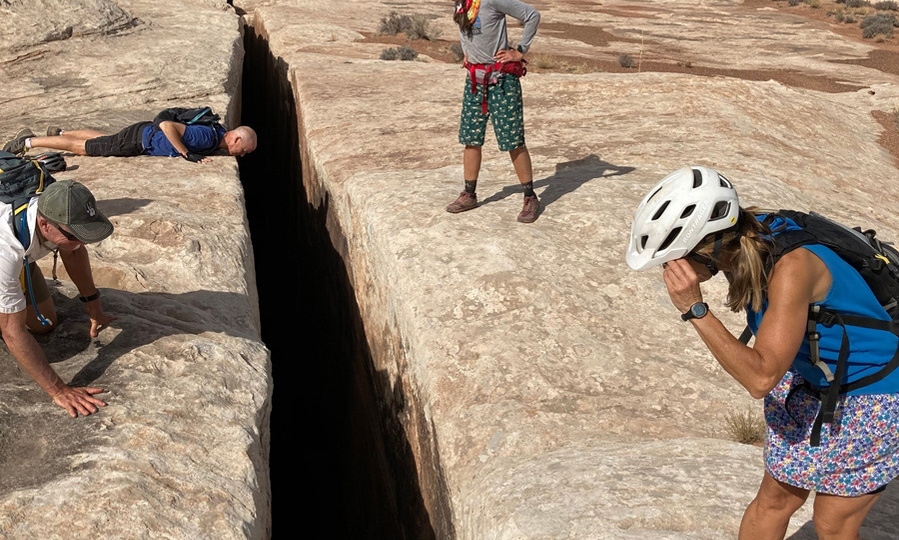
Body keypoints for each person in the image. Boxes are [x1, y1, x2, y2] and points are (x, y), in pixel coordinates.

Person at [626, 166, 899, 539]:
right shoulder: (753, 235)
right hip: (811, 383)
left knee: (833, 523)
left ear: (708, 246)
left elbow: (761, 377)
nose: (670, 270)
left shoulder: (791, 267)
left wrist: (695, 309)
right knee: (774, 501)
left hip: (873, 395)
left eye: (673, 258)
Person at [0, 179, 116, 418]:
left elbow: (73, 251)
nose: (83, 243)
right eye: (76, 236)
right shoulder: (5, 250)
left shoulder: (55, 207)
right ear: (44, 224)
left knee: (46, 324)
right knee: (12, 325)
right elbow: (13, 331)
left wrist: (93, 306)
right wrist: (59, 390)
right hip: (8, 262)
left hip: (21, 261)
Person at [447, 0, 541, 223]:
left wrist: (519, 51)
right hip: (475, 80)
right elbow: (465, 30)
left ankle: (530, 197)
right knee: (471, 137)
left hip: (501, 80)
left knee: (513, 140)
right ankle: (469, 194)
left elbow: (532, 15)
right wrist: (467, 52)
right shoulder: (462, 3)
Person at [2, 120, 257, 163]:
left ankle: (59, 134)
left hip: (142, 133)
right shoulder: (206, 136)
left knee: (102, 138)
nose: (240, 154)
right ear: (233, 137)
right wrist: (185, 152)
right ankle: (29, 142)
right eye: (241, 150)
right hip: (141, 140)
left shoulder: (215, 134)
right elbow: (168, 126)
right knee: (85, 149)